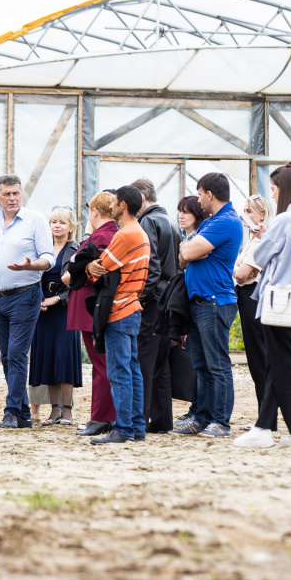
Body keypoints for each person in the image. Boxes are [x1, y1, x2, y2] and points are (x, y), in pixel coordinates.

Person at [234, 163, 291, 449]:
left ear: (284, 188)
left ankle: (279, 428)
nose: (272, 195)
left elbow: (262, 253)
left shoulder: (285, 220)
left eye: (273, 189)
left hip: (277, 300)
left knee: (283, 364)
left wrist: (261, 236)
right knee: (283, 364)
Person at [0, 174, 55, 429]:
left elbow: (48, 258)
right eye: (6, 194)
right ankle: (22, 414)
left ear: (21, 194)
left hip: (25, 295)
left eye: (16, 193)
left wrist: (31, 265)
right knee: (7, 357)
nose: (12, 198)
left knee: (17, 354)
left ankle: (10, 412)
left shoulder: (35, 220)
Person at [172, 173, 243, 439]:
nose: (199, 198)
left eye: (200, 193)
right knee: (201, 364)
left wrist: (190, 249)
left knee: (217, 364)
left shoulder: (226, 221)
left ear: (210, 194)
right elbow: (183, 256)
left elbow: (187, 254)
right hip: (200, 300)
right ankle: (201, 418)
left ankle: (221, 422)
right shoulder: (211, 223)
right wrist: (190, 247)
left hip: (215, 301)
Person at [85, 186, 150, 445]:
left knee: (119, 371)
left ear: (122, 205)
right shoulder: (140, 233)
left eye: (113, 201)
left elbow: (100, 268)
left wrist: (90, 266)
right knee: (132, 369)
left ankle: (123, 428)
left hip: (119, 309)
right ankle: (135, 426)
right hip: (132, 306)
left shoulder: (125, 235)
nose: (110, 205)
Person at [131, 178, 182, 434]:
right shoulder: (171, 221)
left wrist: (141, 298)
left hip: (153, 299)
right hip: (169, 297)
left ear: (141, 197)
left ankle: (139, 419)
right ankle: (162, 421)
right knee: (161, 363)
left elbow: (151, 266)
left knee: (144, 361)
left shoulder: (148, 221)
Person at [66, 192, 119, 436]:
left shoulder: (101, 236)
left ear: (94, 212)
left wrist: (80, 270)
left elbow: (98, 271)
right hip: (95, 304)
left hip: (92, 305)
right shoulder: (110, 233)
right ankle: (107, 415)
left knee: (101, 364)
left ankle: (102, 416)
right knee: (104, 363)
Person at [30, 206, 81, 427]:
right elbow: (32, 277)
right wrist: (38, 299)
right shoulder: (42, 249)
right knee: (48, 359)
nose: (57, 226)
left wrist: (57, 299)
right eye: (53, 222)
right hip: (43, 310)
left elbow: (78, 282)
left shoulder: (76, 250)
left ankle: (67, 411)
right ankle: (54, 411)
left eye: (62, 222)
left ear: (71, 227)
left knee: (64, 359)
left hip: (65, 310)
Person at [232, 194, 273, 430]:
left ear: (261, 216)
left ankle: (264, 417)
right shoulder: (253, 241)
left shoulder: (259, 242)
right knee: (256, 358)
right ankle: (263, 414)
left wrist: (237, 268)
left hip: (252, 298)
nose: (244, 215)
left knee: (259, 358)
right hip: (247, 297)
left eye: (249, 211)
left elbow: (241, 273)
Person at [171, 195, 207, 427]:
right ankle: (196, 407)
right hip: (189, 301)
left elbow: (187, 260)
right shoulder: (185, 237)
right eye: (179, 211)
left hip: (201, 300)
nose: (181, 216)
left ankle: (200, 409)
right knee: (196, 359)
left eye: (187, 212)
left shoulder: (198, 238)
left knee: (203, 360)